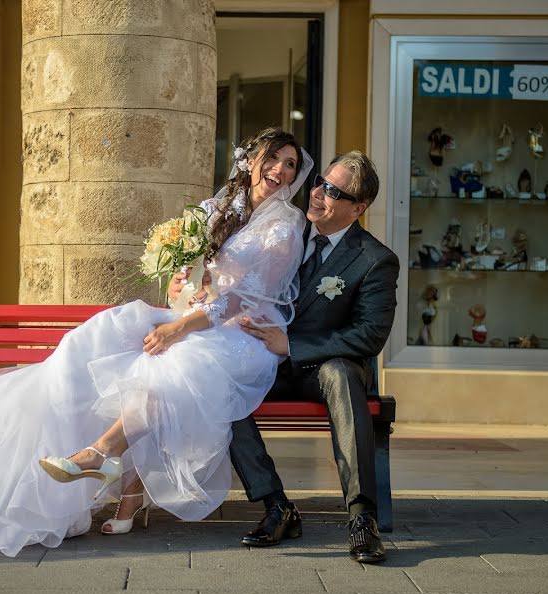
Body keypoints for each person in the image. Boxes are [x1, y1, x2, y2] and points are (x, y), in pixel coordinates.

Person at [0, 128, 314, 563]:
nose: (279, 169)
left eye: (290, 164)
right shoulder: (220, 206)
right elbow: (200, 283)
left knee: (172, 362)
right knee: (105, 331)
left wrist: (181, 327)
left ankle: (101, 454)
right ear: (251, 160)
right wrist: (184, 283)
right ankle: (124, 486)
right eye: (272, 157)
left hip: (245, 333)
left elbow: (241, 298)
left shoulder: (284, 227)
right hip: (199, 317)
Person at [169, 150, 398, 563]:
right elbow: (237, 286)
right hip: (261, 360)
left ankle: (362, 518)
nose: (317, 193)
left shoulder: (375, 260)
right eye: (320, 183)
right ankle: (278, 506)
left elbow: (369, 335)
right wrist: (197, 287)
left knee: (343, 374)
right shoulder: (285, 230)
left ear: (358, 208)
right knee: (219, 378)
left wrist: (291, 346)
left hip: (320, 366)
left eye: (333, 191)